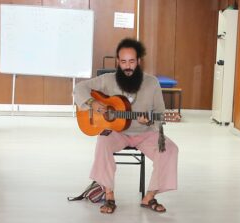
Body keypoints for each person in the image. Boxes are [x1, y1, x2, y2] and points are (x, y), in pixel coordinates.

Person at [73, 38, 178, 214]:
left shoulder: (152, 83)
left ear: (139, 61)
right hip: (117, 132)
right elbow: (79, 88)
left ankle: (149, 196)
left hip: (145, 133)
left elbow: (160, 112)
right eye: (123, 62)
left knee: (170, 149)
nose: (127, 66)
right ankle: (109, 195)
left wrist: (150, 120)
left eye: (131, 61)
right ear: (117, 61)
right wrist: (92, 103)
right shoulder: (107, 80)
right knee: (103, 142)